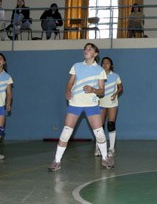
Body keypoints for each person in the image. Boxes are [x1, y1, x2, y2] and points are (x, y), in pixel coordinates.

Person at [47, 43, 113, 171]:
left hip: (92, 105)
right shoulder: (76, 66)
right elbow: (70, 82)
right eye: (85, 49)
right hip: (75, 104)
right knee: (66, 132)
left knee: (99, 133)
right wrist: (67, 91)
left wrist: (93, 90)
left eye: (90, 49)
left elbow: (102, 91)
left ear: (95, 54)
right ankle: (57, 161)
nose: (86, 50)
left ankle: (105, 158)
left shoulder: (100, 70)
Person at [96, 57, 123, 158]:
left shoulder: (115, 76)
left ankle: (111, 149)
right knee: (100, 127)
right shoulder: (98, 75)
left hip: (112, 103)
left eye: (107, 63)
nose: (105, 65)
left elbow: (120, 87)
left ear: (111, 65)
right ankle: (98, 147)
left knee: (111, 125)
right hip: (101, 103)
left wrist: (116, 93)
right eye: (103, 63)